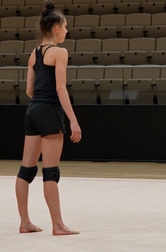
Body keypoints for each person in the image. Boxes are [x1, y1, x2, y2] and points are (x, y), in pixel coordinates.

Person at [15, 1, 82, 235]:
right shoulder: (60, 52)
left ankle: (25, 222)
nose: (66, 31)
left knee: (26, 169)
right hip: (50, 111)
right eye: (64, 27)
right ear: (55, 28)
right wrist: (73, 120)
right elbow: (61, 89)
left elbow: (29, 90)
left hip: (32, 110)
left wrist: (40, 102)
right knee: (51, 171)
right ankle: (58, 225)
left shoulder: (33, 54)